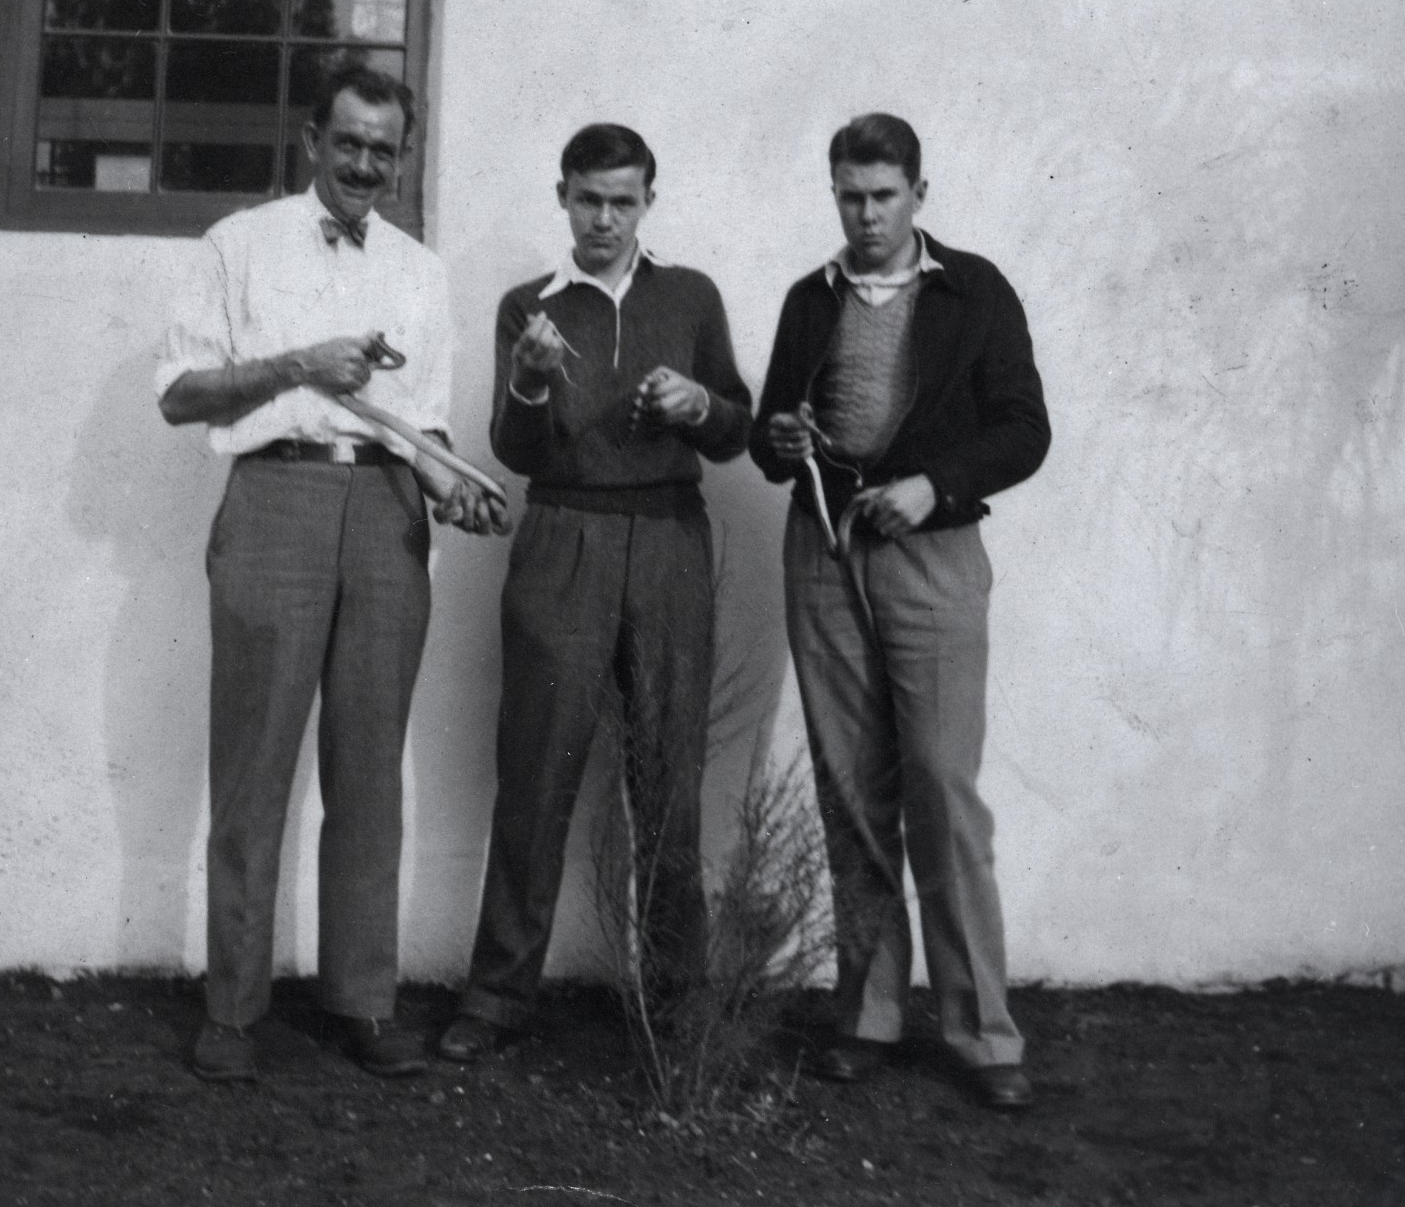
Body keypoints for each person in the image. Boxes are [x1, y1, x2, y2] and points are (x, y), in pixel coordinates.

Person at [156, 61, 506, 1083]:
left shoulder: (420, 270)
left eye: (383, 149)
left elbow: (425, 425)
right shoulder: (238, 245)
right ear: (313, 140)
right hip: (275, 500)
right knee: (255, 768)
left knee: (369, 773)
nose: (364, 162)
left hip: (387, 514)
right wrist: (298, 364)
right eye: (347, 141)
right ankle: (232, 1010)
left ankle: (363, 1000)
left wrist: (451, 488)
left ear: (401, 160)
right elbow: (180, 395)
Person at [748, 112, 1049, 1110]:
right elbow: (768, 435)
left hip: (930, 556)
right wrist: (781, 438)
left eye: (882, 195)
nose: (865, 214)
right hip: (826, 557)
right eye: (848, 194)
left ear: (920, 193)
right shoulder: (808, 297)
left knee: (941, 791)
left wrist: (933, 487)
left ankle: (981, 1032)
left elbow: (1024, 429)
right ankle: (869, 1013)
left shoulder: (974, 291)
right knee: (849, 788)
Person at [437, 123, 753, 1061]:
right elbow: (516, 451)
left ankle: (672, 1003)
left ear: (648, 201)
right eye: (588, 200)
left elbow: (735, 429)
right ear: (563, 197)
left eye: (623, 201)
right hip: (562, 535)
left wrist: (701, 408)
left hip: (666, 538)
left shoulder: (690, 296)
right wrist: (531, 385)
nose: (604, 218)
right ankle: (495, 997)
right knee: (535, 772)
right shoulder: (525, 308)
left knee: (668, 775)